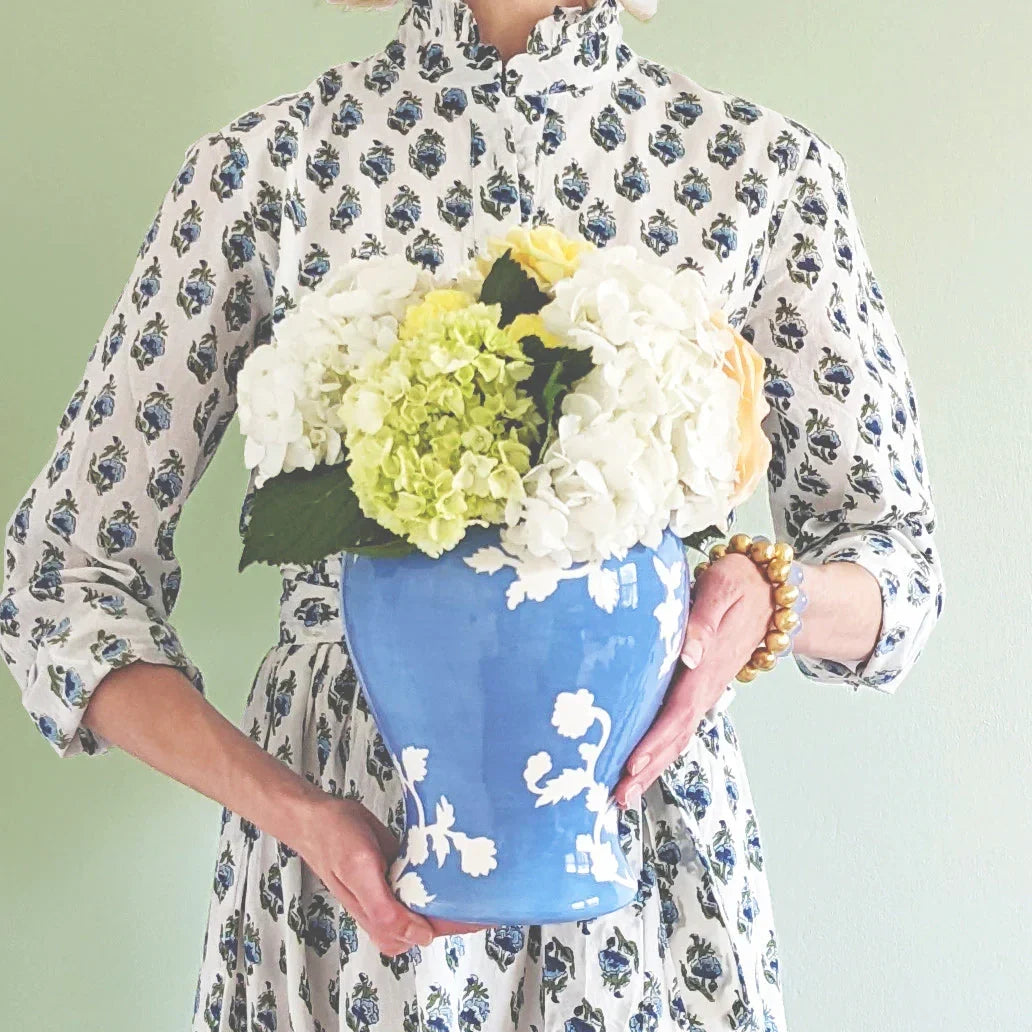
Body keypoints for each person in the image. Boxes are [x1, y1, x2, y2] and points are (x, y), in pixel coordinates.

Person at [0, 0, 945, 1028]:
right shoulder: (265, 168)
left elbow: (897, 568)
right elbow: (62, 580)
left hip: (642, 870)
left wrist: (766, 597)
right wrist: (299, 816)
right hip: (344, 893)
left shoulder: (758, 170)